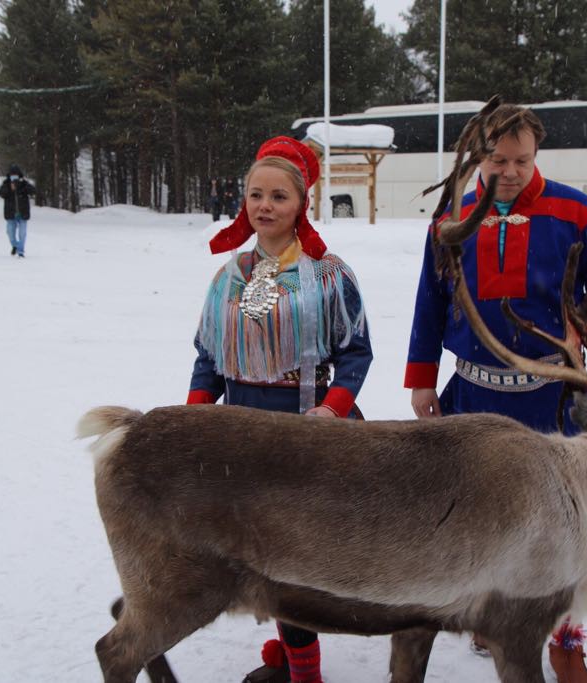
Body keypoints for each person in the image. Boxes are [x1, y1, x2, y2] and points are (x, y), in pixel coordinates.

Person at [404, 104, 587, 683]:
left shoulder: (575, 212)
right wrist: (422, 378)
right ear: (478, 156)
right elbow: (430, 301)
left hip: (550, 397)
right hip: (473, 395)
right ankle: (490, 612)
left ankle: (565, 633)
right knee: (475, 513)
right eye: (497, 160)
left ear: (538, 155)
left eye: (522, 160)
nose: (509, 171)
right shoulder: (452, 218)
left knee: (565, 522)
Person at [188, 136, 373, 683]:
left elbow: (356, 351)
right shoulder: (229, 276)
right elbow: (209, 356)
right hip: (242, 431)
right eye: (254, 194)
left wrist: (334, 408)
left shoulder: (330, 275)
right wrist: (198, 413)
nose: (264, 206)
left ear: (301, 204)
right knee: (260, 557)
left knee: (294, 563)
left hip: (305, 434)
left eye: (278, 196)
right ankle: (293, 656)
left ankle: (304, 671)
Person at [0, 164, 35, 258]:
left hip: (23, 213)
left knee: (22, 234)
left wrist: (22, 187)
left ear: (19, 175)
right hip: (11, 213)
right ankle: (15, 245)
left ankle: (21, 251)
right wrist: (9, 189)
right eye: (12, 175)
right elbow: (1, 193)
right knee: (10, 233)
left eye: (16, 175)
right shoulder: (6, 183)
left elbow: (33, 191)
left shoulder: (24, 183)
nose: (14, 177)